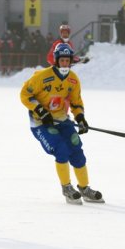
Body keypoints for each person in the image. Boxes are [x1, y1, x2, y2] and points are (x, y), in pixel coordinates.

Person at [20, 43, 104, 205]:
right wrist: (41, 112)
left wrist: (80, 118)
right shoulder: (41, 76)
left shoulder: (73, 79)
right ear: (56, 61)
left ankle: (85, 188)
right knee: (61, 150)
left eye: (67, 61)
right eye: (62, 60)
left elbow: (76, 101)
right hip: (41, 123)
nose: (65, 64)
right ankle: (66, 188)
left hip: (62, 120)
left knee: (76, 150)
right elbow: (25, 94)